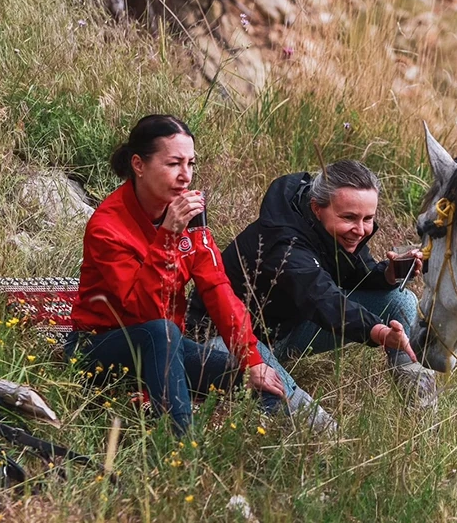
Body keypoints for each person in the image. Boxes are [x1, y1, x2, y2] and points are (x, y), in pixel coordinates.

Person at [66, 114, 286, 436]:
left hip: (165, 345)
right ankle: (184, 446)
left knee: (258, 382)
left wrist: (250, 358)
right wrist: (167, 235)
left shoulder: (189, 219)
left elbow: (218, 289)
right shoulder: (107, 227)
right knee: (162, 332)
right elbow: (144, 311)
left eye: (191, 163)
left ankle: (245, 446)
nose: (186, 176)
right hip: (101, 347)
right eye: (174, 164)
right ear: (139, 165)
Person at [188, 160, 437, 413]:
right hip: (224, 341)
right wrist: (379, 332)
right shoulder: (284, 244)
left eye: (368, 218)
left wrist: (387, 274)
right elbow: (323, 299)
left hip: (284, 332)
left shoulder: (326, 227)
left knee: (400, 299)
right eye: (350, 217)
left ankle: (422, 410)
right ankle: (319, 435)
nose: (360, 230)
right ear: (317, 208)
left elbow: (351, 275)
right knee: (307, 417)